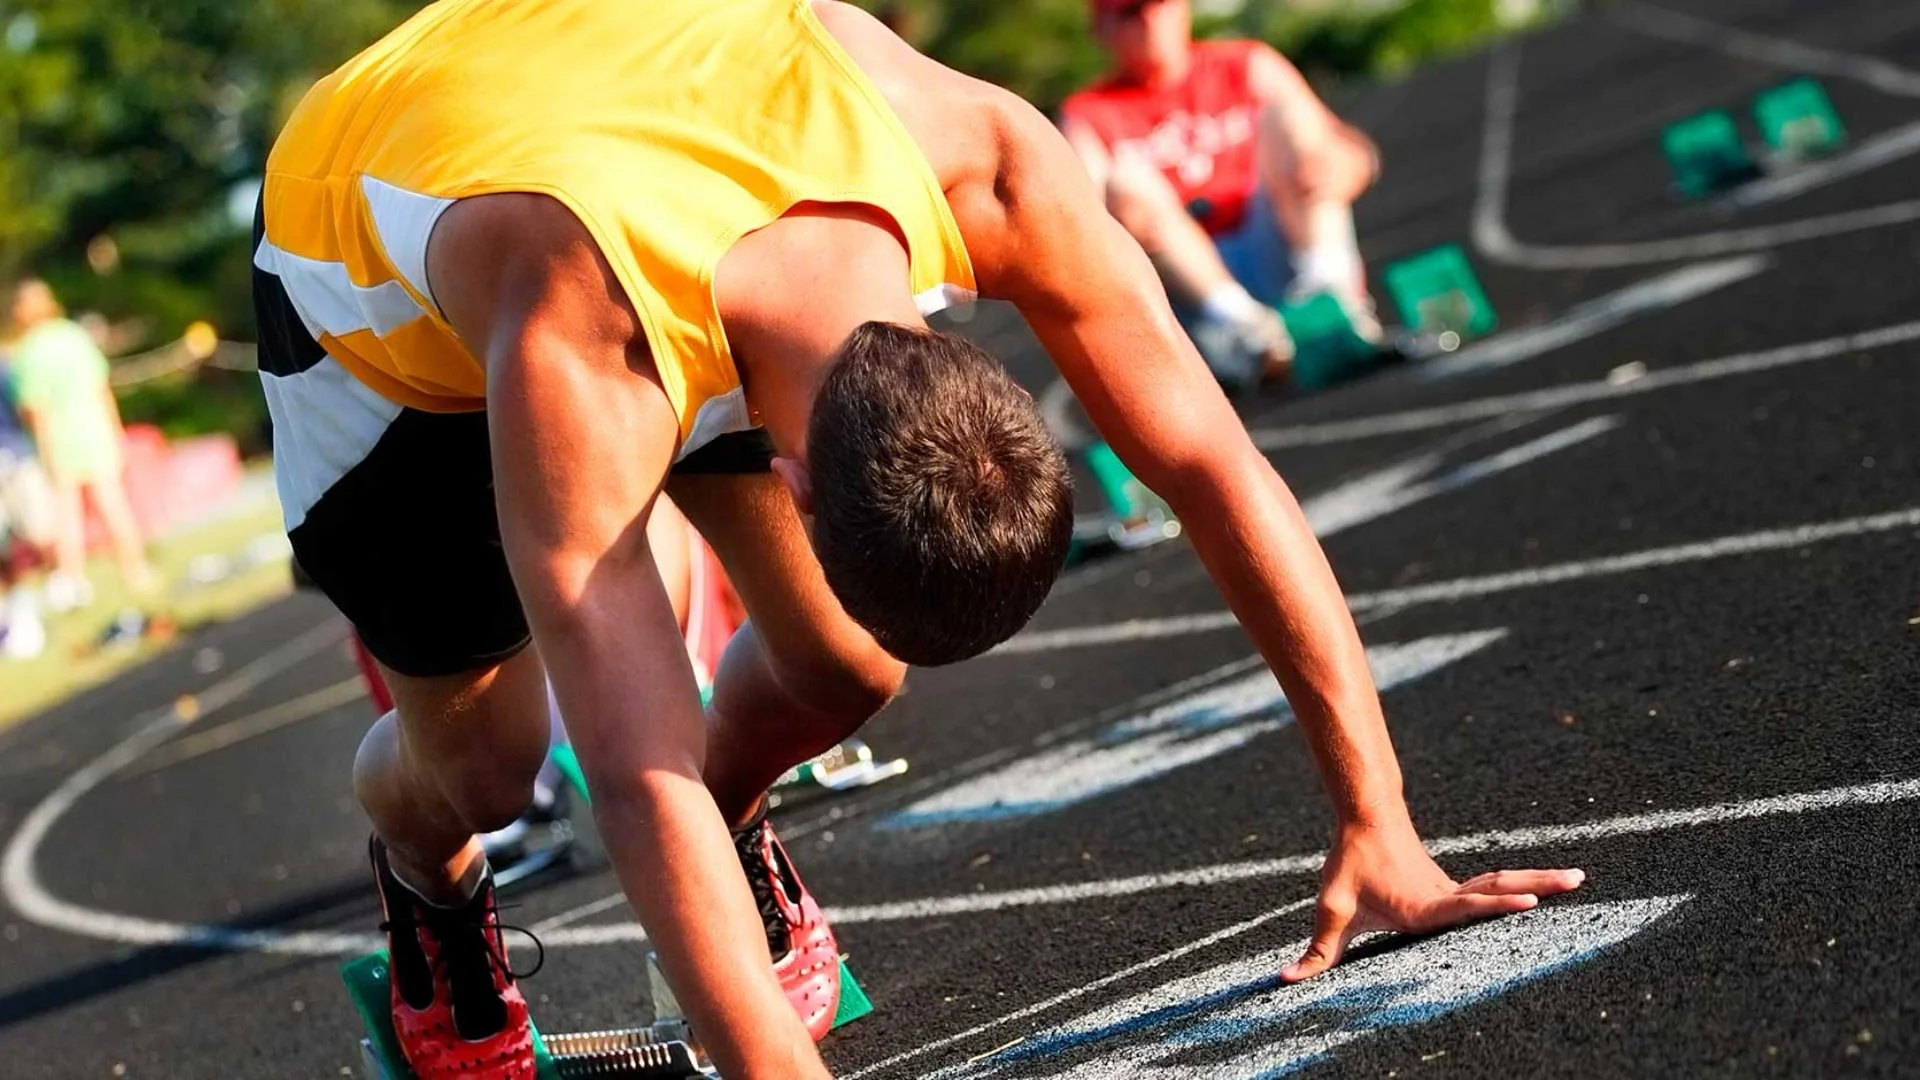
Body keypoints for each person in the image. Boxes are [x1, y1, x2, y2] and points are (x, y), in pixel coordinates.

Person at [254, 2, 1581, 1077]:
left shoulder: (990, 158)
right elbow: (630, 757)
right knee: (489, 766)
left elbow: (1217, 469)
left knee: (842, 670)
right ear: (797, 482)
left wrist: (1382, 824)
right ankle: (426, 878)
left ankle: (745, 824)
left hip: (645, 160)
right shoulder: (574, 340)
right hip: (385, 319)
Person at [1060, 0, 1386, 389]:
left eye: (1157, 5)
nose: (1148, 21)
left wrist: (1341, 166)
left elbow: (1353, 151)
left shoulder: (1248, 64)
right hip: (1191, 289)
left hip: (1274, 237)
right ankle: (1249, 333)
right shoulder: (1087, 114)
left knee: (1298, 127)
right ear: (1102, 30)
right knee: (1124, 185)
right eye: (1130, 12)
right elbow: (1083, 238)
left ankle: (1331, 299)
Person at [6, 278, 157, 608]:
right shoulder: (73, 336)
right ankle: (136, 570)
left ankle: (73, 581)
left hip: (59, 439)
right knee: (113, 504)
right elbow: (101, 386)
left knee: (68, 515)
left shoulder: (28, 352)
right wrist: (115, 429)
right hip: (95, 429)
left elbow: (34, 409)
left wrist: (45, 451)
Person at [0, 350, 55, 659]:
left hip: (16, 458)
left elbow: (24, 407)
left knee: (39, 531)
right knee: (3, 546)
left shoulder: (5, 367)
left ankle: (55, 587)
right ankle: (14, 606)